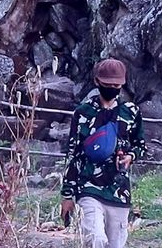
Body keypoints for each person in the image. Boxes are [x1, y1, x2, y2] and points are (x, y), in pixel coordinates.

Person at [61, 58, 146, 248]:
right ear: (97, 82)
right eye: (108, 85)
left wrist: (130, 156)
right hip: (88, 188)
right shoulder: (83, 113)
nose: (112, 88)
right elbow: (73, 154)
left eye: (116, 85)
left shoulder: (131, 112)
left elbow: (140, 145)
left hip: (119, 192)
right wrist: (67, 195)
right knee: (95, 240)